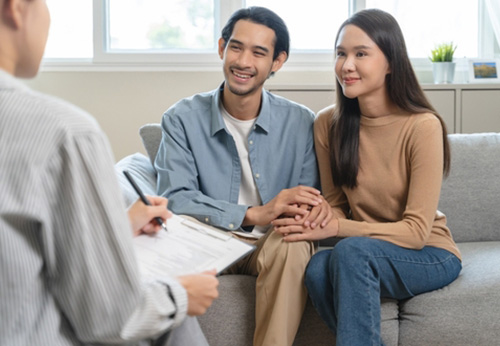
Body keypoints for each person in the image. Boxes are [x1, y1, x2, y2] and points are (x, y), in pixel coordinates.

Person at [0, 0, 218, 345]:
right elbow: (111, 318)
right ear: (15, 7)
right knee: (171, 319)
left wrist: (119, 227)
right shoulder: (64, 132)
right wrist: (181, 295)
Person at [272, 9, 462, 346]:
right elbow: (337, 207)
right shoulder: (327, 124)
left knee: (350, 252)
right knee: (317, 267)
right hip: (365, 252)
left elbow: (417, 232)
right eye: (341, 53)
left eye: (361, 53)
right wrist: (315, 219)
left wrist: (339, 228)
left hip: (430, 254)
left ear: (390, 62)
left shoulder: (422, 126)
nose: (346, 65)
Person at [155, 6, 332, 346]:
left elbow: (308, 201)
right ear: (222, 48)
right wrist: (252, 215)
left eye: (258, 52)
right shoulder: (180, 119)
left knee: (294, 244)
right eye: (236, 47)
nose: (243, 61)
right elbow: (176, 198)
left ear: (277, 62)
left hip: (271, 244)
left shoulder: (301, 123)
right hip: (206, 243)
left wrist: (287, 217)